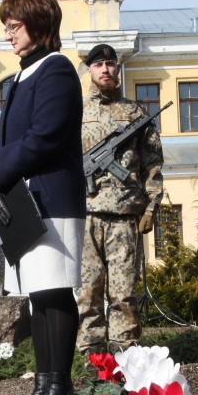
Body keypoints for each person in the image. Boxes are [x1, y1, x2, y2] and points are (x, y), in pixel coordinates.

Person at [0, 0, 86, 395]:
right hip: (30, 197)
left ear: (39, 24)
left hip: (52, 196)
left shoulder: (56, 69)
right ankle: (44, 386)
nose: (8, 34)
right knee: (37, 298)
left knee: (55, 291)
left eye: (14, 25)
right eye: (6, 26)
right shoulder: (27, 72)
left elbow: (45, 136)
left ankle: (60, 388)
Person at [76, 44, 164, 356]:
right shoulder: (75, 111)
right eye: (98, 64)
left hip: (125, 216)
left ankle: (125, 359)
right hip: (84, 216)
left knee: (123, 295)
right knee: (86, 294)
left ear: (117, 68)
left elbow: (153, 162)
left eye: (110, 64)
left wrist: (152, 205)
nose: (105, 69)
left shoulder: (135, 114)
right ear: (89, 69)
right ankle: (93, 362)